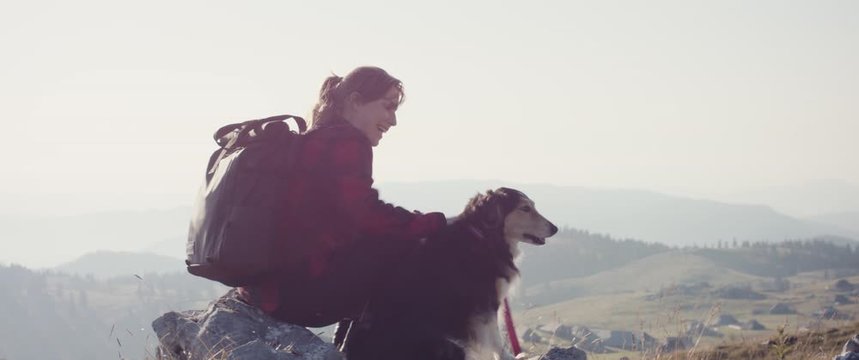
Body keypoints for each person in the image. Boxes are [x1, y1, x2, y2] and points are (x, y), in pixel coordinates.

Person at [237, 66, 448, 328]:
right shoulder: (347, 142)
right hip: (301, 297)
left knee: (387, 242)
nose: (393, 121)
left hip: (267, 293)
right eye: (388, 107)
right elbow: (366, 215)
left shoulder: (314, 139)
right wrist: (432, 224)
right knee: (412, 246)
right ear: (355, 102)